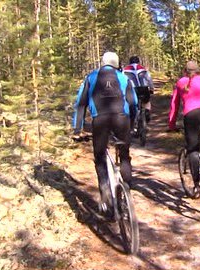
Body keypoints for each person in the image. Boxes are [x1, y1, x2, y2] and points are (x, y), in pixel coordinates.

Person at [73, 51, 138, 214]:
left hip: (100, 120)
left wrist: (77, 129)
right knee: (124, 154)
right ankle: (127, 190)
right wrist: (132, 123)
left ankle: (105, 194)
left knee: (100, 157)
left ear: (102, 62)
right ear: (116, 63)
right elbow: (133, 103)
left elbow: (80, 104)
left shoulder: (91, 77)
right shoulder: (124, 78)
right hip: (121, 119)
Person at [168, 61, 200, 197]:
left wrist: (171, 125)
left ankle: (196, 186)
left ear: (185, 70)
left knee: (193, 149)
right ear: (198, 70)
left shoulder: (180, 82)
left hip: (192, 114)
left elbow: (175, 105)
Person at [123, 56, 154, 123]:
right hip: (143, 88)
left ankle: (133, 119)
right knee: (146, 102)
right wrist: (151, 88)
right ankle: (147, 112)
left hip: (132, 89)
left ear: (130, 62)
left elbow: (123, 81)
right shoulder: (143, 69)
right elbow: (149, 79)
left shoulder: (125, 70)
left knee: (132, 104)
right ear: (138, 61)